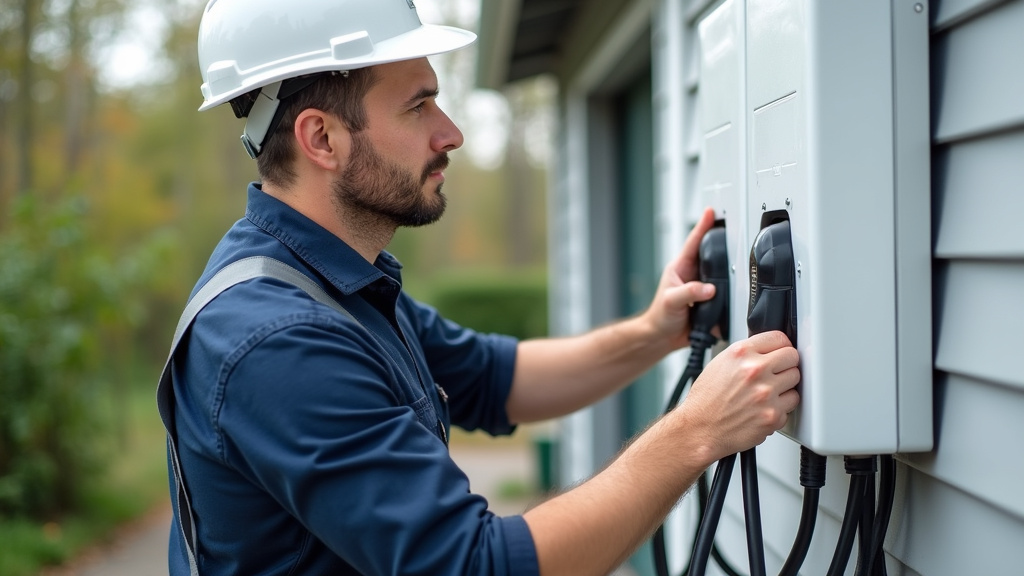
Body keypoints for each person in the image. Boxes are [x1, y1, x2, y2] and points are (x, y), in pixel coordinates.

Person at [160, 1, 801, 575]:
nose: (451, 134)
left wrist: (654, 332)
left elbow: (497, 378)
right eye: (418, 105)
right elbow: (475, 565)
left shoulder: (332, 285)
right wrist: (694, 433)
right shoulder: (278, 339)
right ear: (322, 138)